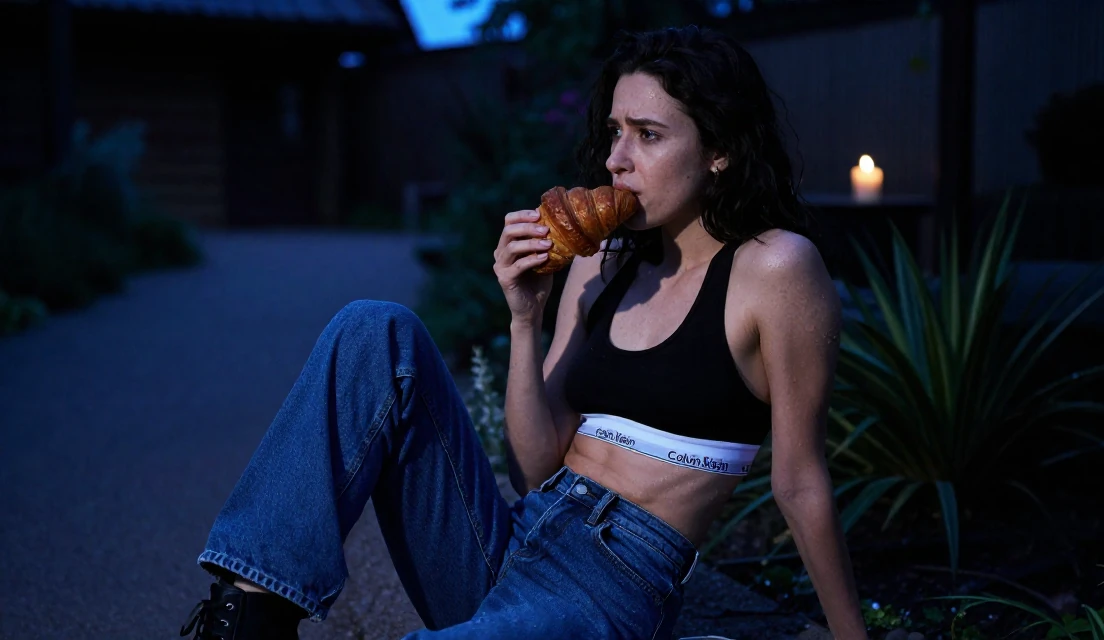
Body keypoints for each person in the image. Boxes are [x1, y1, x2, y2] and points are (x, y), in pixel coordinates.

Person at [180, 25, 868, 640]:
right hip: (514, 536)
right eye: (614, 131)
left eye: (648, 135)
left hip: (612, 584)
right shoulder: (602, 262)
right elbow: (535, 469)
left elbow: (800, 480)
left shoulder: (775, 267)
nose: (616, 160)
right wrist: (524, 317)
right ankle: (250, 614)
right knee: (373, 328)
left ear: (719, 150)